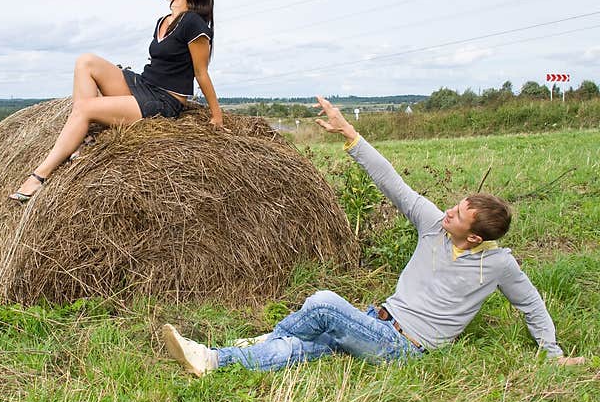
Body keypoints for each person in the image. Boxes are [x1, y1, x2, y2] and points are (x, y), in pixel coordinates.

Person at [162, 95, 585, 376]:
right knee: (306, 349)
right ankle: (215, 359)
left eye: (457, 215)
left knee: (324, 303)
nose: (447, 212)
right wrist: (350, 134)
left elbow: (531, 304)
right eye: (454, 206)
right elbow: (393, 182)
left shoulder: (497, 265)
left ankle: (265, 338)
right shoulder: (431, 224)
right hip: (376, 320)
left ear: (473, 238)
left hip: (406, 348)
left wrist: (553, 354)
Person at [10, 0, 225, 202]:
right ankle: (85, 136)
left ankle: (40, 175)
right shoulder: (163, 21)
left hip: (164, 100)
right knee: (86, 62)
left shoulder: (194, 23)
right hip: (143, 84)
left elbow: (201, 72)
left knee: (84, 108)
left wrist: (216, 116)